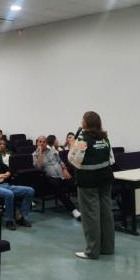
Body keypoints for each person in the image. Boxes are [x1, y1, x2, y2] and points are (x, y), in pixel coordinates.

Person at [68, 111, 115, 260]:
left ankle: (92, 251)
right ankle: (107, 247)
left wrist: (72, 146)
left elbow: (74, 160)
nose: (81, 121)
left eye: (82, 119)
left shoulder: (82, 139)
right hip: (106, 179)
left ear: (86, 123)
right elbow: (111, 159)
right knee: (106, 212)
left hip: (88, 181)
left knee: (90, 215)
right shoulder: (105, 137)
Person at [33, 135, 80, 219]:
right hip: (49, 178)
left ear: (46, 143)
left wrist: (65, 169)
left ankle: (84, 207)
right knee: (58, 189)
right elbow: (38, 168)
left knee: (75, 184)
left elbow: (60, 161)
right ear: (37, 143)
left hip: (62, 174)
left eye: (44, 142)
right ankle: (73, 210)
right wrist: (40, 154)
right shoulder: (34, 155)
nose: (42, 143)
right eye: (40, 142)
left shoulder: (52, 151)